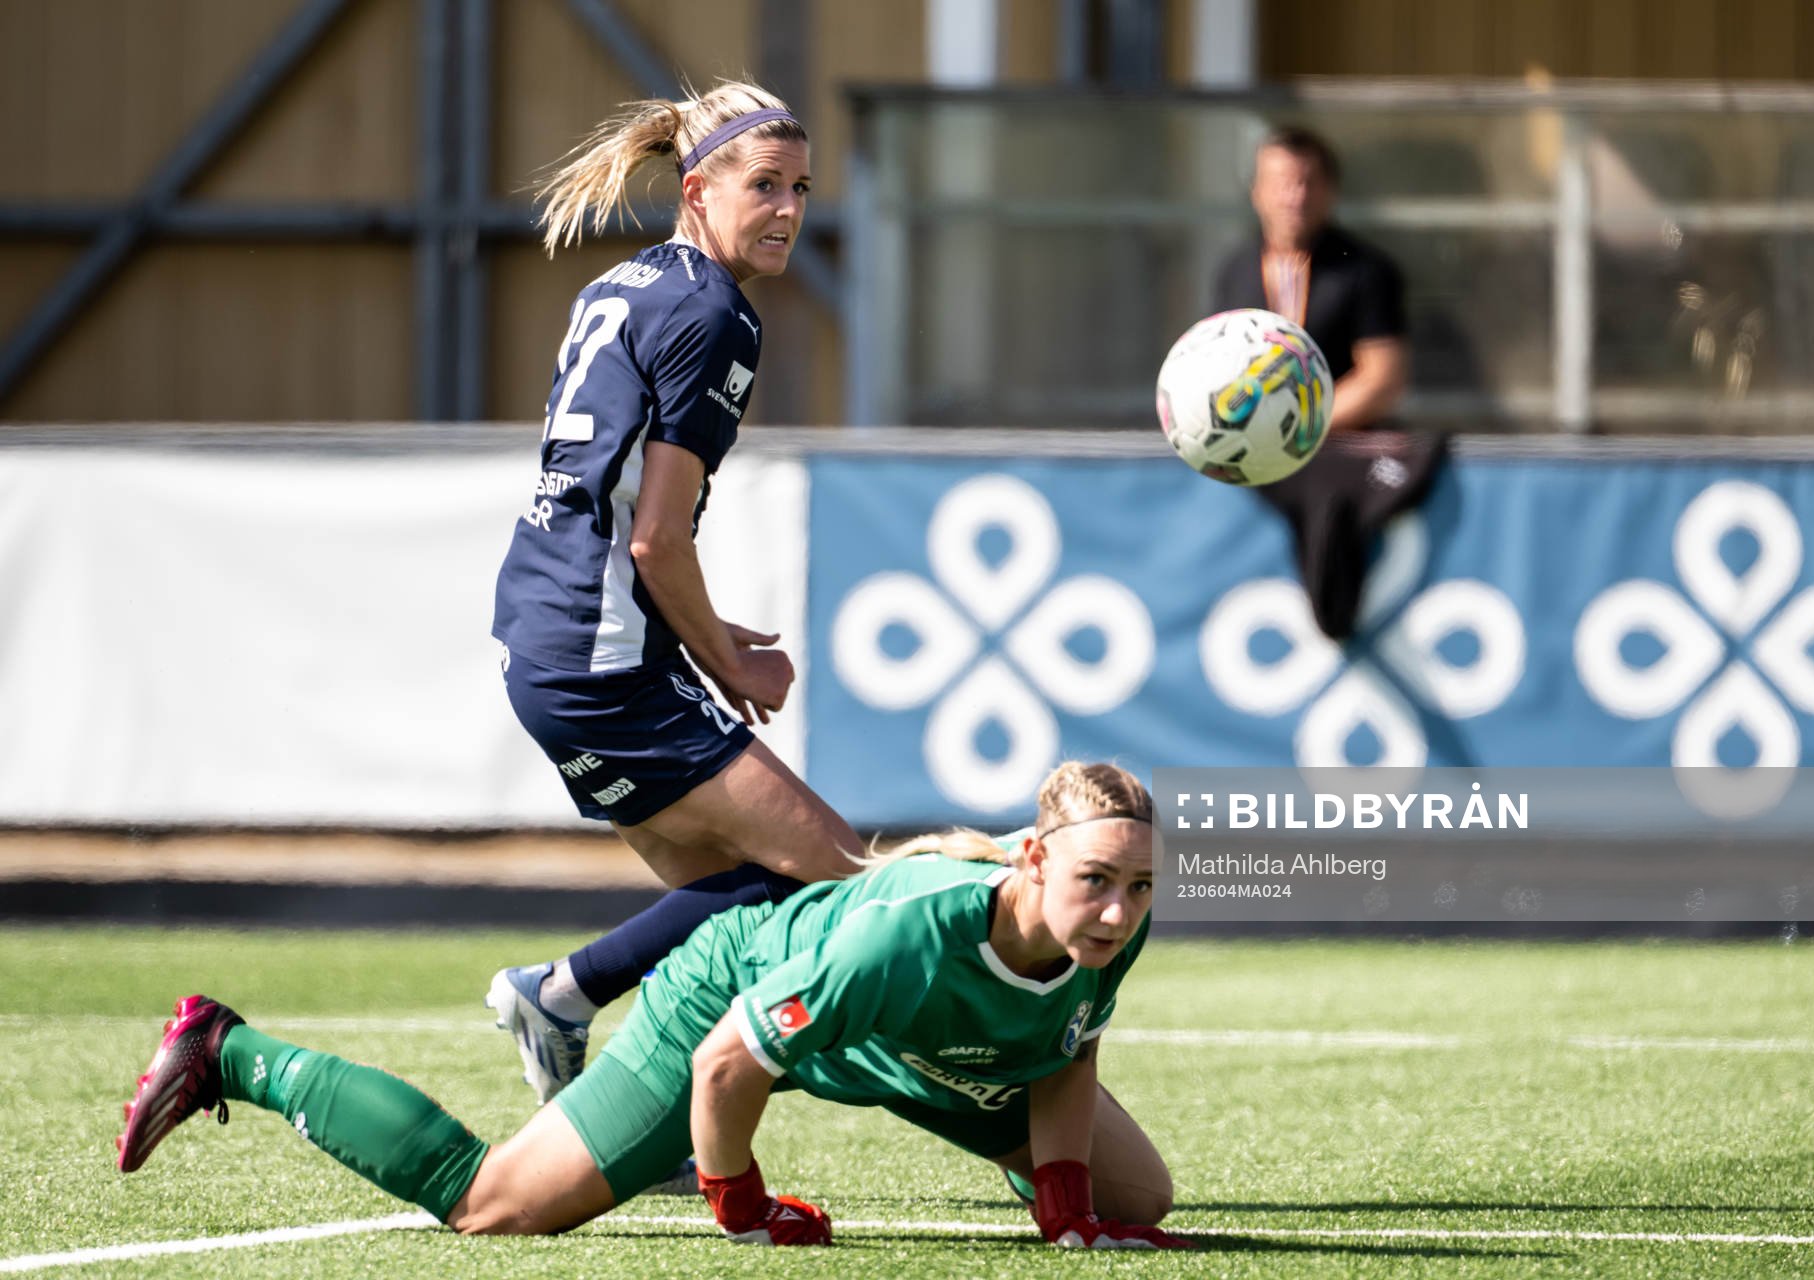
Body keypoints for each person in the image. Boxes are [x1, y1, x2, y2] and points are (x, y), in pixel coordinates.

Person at [114, 763, 1190, 1251]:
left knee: (1134, 1197)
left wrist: (1066, 1204)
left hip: (910, 1054)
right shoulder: (901, 935)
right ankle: (229, 1048)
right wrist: (740, 1200)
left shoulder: (1113, 926)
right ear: (1035, 855)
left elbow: (1065, 1044)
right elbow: (730, 1062)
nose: (1115, 909)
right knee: (498, 1203)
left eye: (1139, 886)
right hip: (728, 1002)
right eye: (1096, 878)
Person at [485, 81, 865, 1100]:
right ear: (697, 188)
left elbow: (616, 520)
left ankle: (579, 1019)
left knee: (749, 907)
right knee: (856, 892)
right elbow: (655, 539)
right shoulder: (714, 313)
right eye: (764, 186)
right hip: (604, 659)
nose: (788, 209)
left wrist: (701, 632)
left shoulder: (629, 283)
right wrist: (727, 656)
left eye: (802, 188)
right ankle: (564, 992)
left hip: (550, 642)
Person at [1212, 126, 1409, 432]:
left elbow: (1381, 379)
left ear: (1331, 190)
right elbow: (1218, 365)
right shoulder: (1235, 269)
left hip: (1341, 456)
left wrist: (1299, 429)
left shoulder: (1366, 270)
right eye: (1282, 184)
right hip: (1253, 455)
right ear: (1256, 192)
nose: (1295, 197)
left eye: (1308, 183)